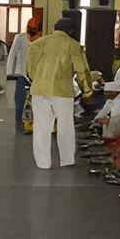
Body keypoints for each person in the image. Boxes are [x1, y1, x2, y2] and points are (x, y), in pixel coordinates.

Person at [26, 18, 93, 169]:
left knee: (41, 126)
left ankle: (43, 163)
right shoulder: (73, 45)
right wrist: (87, 91)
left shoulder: (38, 43)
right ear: (71, 31)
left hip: (39, 89)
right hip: (62, 91)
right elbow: (82, 70)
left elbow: (31, 68)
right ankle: (67, 160)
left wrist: (37, 79)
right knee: (65, 125)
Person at [6, 17, 41, 131]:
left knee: (36, 98)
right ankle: (18, 118)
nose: (33, 33)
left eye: (35, 30)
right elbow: (12, 54)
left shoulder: (42, 39)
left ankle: (34, 119)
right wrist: (9, 72)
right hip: (22, 73)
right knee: (20, 97)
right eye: (31, 30)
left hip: (37, 74)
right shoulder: (20, 38)